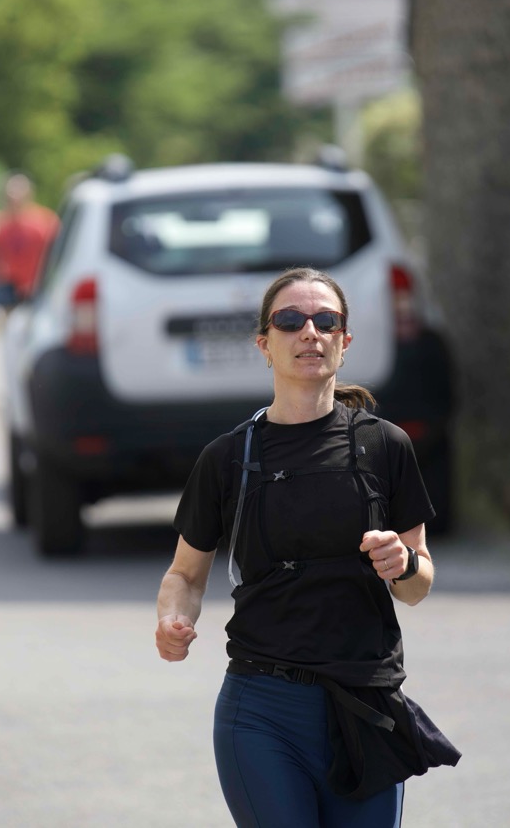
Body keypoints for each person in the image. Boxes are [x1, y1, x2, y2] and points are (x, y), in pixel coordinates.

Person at [155, 267, 459, 827]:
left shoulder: (385, 446)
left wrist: (403, 563)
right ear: (263, 344)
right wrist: (174, 620)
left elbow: (417, 586)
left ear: (345, 340)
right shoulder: (227, 458)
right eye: (290, 320)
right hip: (262, 710)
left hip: (365, 705)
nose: (309, 332)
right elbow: (185, 576)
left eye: (326, 320)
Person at [0, 173, 58, 306]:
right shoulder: (2, 224)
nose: (15, 197)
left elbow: (56, 253)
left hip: (41, 286)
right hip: (12, 290)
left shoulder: (45, 221)